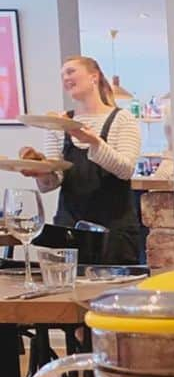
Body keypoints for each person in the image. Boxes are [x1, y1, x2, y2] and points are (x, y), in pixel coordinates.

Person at [18, 56, 144, 264]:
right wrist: (40, 173)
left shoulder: (122, 119)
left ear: (93, 77)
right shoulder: (57, 123)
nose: (65, 77)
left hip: (114, 231)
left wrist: (94, 142)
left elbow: (126, 170)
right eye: (62, 75)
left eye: (71, 71)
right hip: (69, 228)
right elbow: (52, 182)